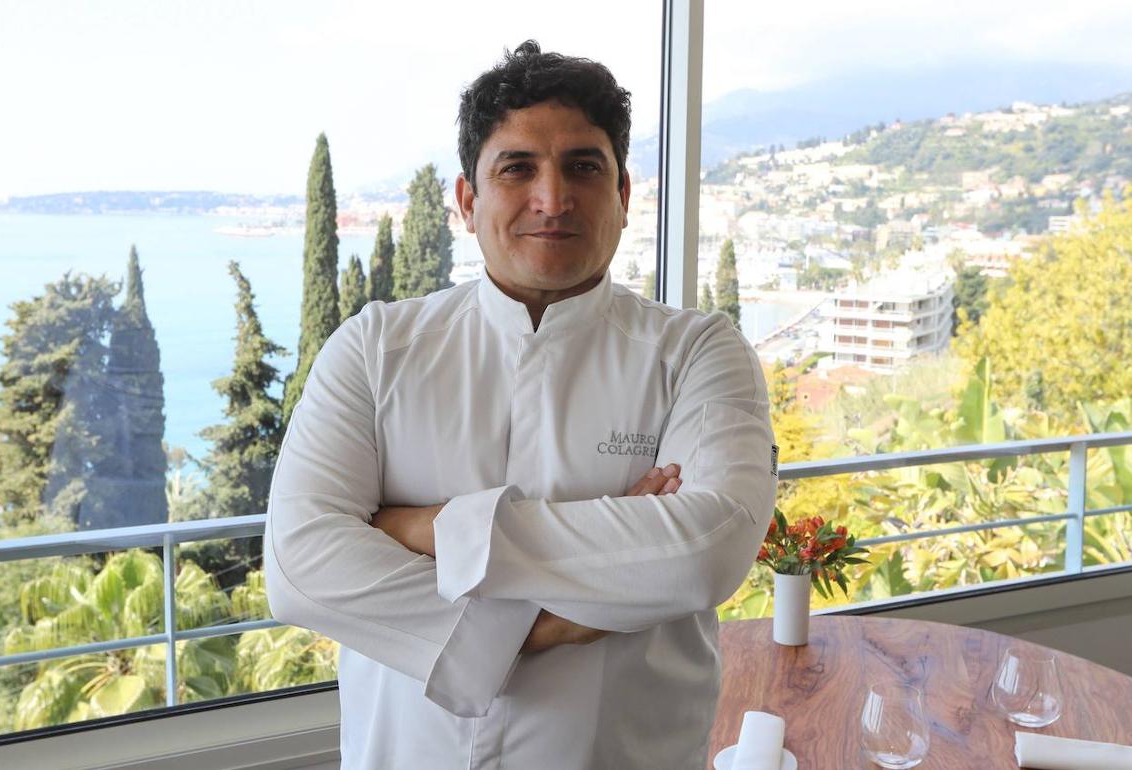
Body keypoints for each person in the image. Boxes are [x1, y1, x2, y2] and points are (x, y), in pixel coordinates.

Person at [265, 40, 777, 770]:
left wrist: (426, 528)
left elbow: (705, 551)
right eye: (517, 168)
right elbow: (300, 566)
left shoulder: (698, 352)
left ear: (624, 195)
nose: (552, 198)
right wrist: (547, 625)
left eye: (584, 167)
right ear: (467, 200)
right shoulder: (375, 350)